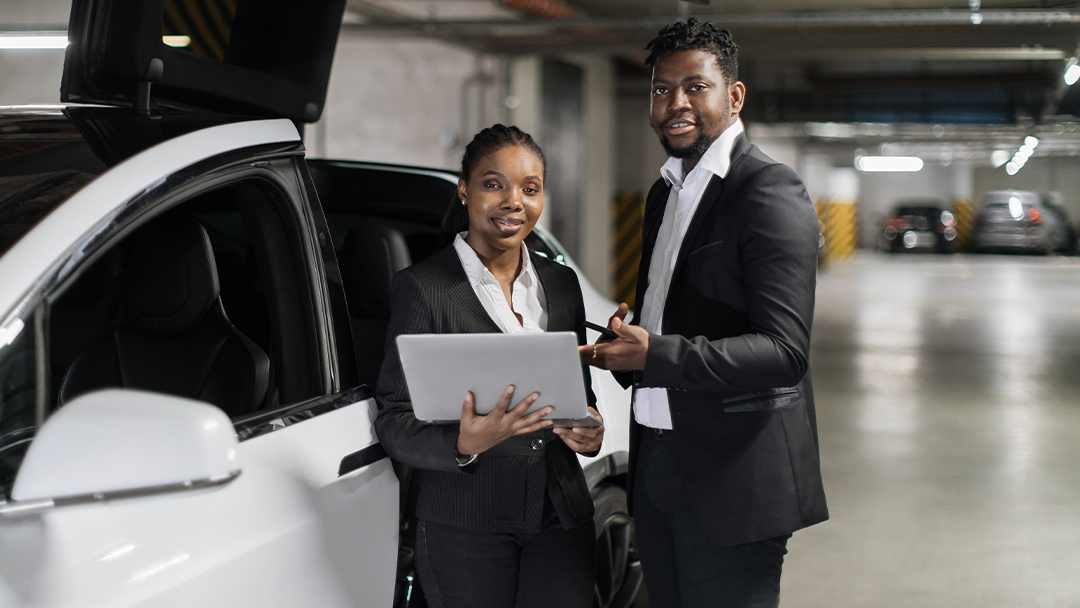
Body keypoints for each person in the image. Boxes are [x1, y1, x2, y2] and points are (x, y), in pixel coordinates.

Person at [581, 18, 828, 608]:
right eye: (662, 90)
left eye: (695, 86)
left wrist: (656, 353)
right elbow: (670, 315)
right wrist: (631, 341)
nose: (676, 104)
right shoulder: (666, 190)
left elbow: (783, 352)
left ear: (733, 95)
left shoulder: (768, 191)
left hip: (733, 476)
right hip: (659, 458)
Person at [375, 124, 605, 608]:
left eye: (530, 188)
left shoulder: (561, 285)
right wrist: (462, 443)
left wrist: (591, 430)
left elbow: (579, 396)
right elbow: (395, 420)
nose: (513, 201)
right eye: (493, 184)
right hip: (465, 523)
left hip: (560, 520)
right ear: (464, 190)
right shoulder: (424, 288)